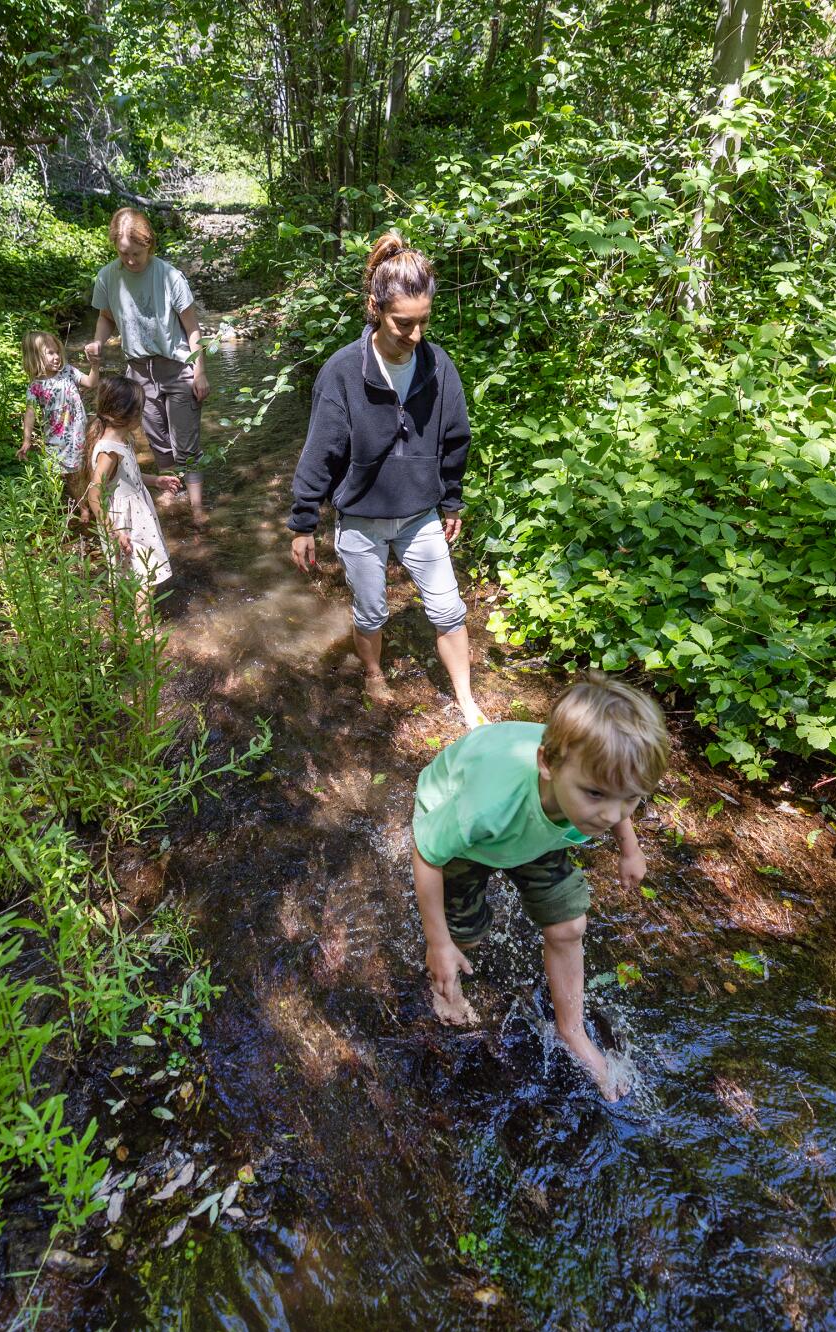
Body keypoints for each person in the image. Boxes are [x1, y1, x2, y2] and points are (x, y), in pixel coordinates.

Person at [409, 674, 667, 1102]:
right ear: (548, 763)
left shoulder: (595, 789)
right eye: (597, 794)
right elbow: (427, 854)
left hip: (540, 831)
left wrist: (630, 847)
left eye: (629, 798)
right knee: (464, 937)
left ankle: (571, 1031)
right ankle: (445, 985)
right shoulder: (487, 806)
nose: (610, 814)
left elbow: (617, 794)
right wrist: (438, 942)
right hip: (467, 843)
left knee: (569, 926)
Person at [288, 231, 485, 728]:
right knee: (371, 611)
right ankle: (374, 674)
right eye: (403, 323)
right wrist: (303, 522)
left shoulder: (439, 367)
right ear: (376, 308)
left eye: (423, 323)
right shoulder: (342, 372)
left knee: (448, 608)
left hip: (420, 514)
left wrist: (453, 502)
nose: (415, 336)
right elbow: (321, 451)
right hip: (360, 518)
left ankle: (466, 700)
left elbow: (455, 438)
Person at [83, 208, 211, 529]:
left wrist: (200, 372)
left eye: (136, 254)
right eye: (123, 253)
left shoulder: (169, 277)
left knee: (186, 445)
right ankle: (171, 499)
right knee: (158, 443)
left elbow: (192, 329)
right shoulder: (107, 276)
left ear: (149, 245)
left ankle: (196, 512)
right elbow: (106, 318)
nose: (130, 260)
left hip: (178, 368)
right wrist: (98, 343)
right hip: (139, 372)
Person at [84, 378, 182, 618]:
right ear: (123, 414)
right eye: (140, 408)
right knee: (145, 577)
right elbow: (93, 493)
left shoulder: (122, 441)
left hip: (136, 518)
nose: (143, 412)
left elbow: (128, 476)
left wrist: (156, 481)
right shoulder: (109, 451)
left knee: (140, 573)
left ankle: (133, 623)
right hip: (125, 523)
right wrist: (113, 530)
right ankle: (143, 627)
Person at [20, 329, 96, 506]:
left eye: (57, 352)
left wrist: (95, 366)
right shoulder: (35, 387)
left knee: (86, 467)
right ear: (35, 357)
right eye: (50, 353)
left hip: (78, 432)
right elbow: (30, 413)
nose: (56, 357)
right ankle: (81, 506)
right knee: (68, 475)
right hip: (56, 438)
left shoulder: (68, 372)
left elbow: (91, 383)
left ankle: (94, 501)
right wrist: (26, 440)